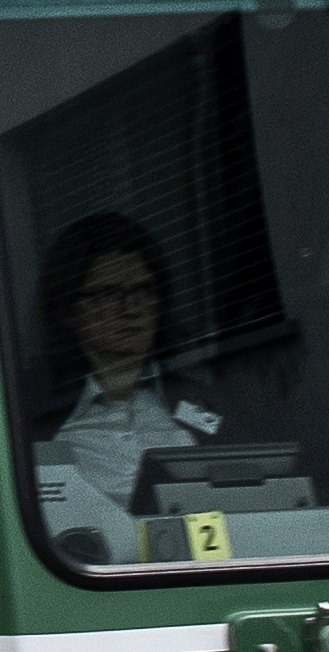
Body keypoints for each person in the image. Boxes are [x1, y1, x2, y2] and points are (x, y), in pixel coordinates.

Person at [29, 213, 224, 542]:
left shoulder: (203, 401)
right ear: (68, 311)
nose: (131, 309)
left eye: (143, 291)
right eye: (107, 295)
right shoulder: (26, 411)